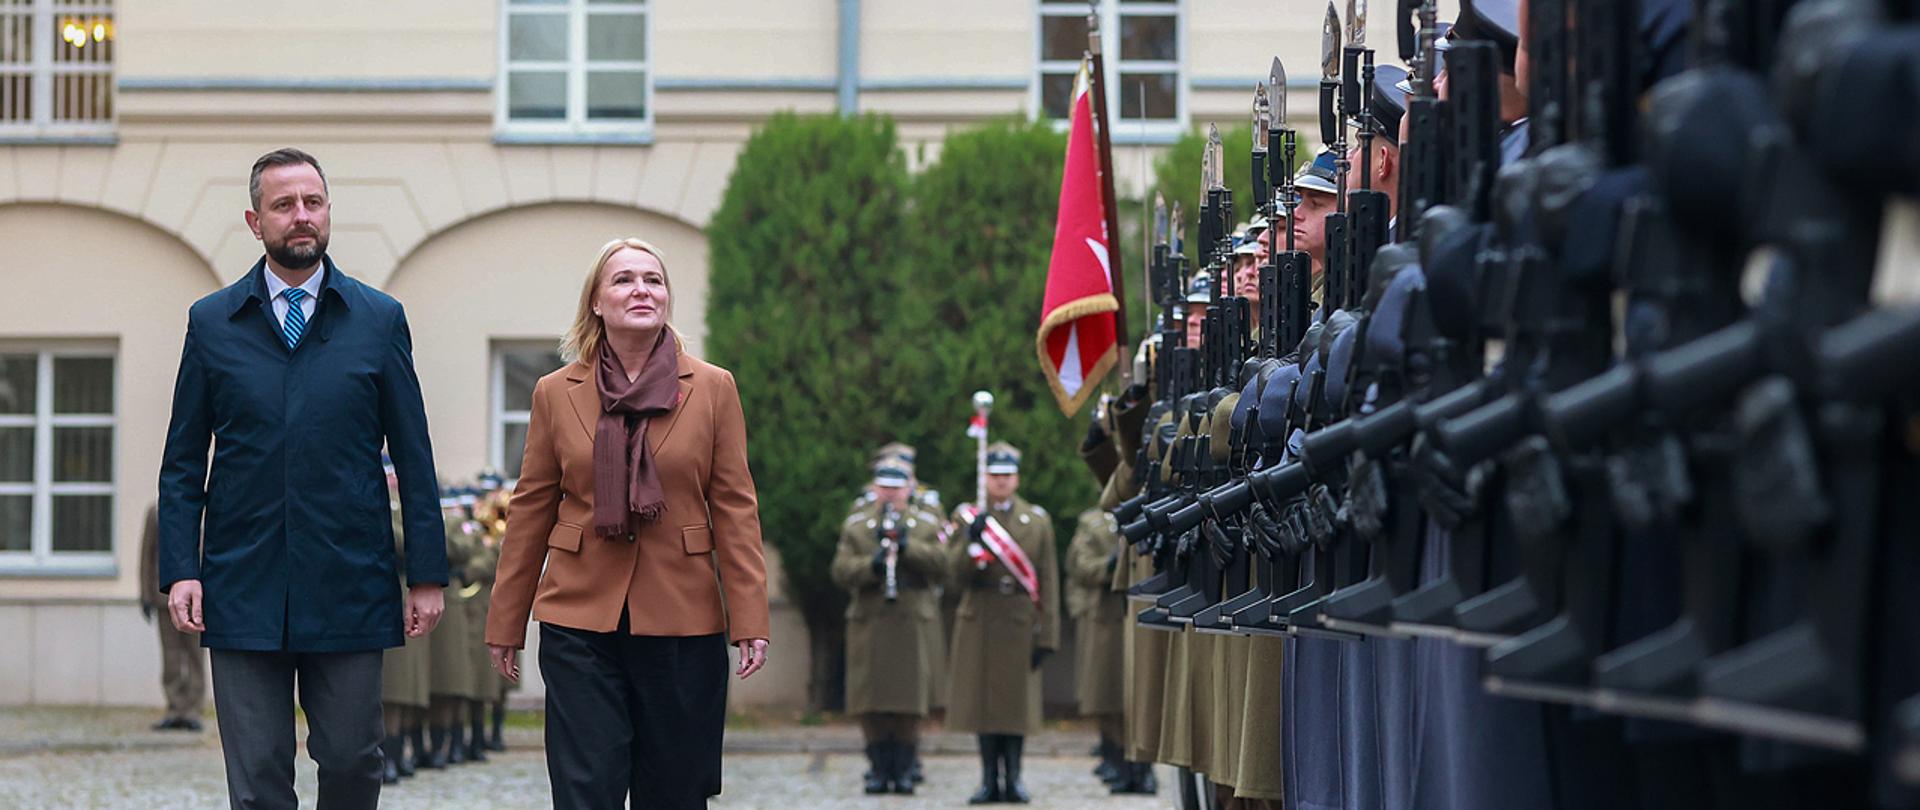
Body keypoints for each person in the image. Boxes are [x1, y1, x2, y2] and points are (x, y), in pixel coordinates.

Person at [157, 147, 448, 810]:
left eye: (313, 203)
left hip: (349, 580)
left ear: (327, 213)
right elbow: (182, 462)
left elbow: (414, 451)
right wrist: (182, 567)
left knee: (352, 761)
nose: (301, 217)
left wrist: (425, 572)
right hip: (241, 585)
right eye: (284, 205)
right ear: (255, 221)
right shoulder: (212, 324)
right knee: (257, 777)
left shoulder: (377, 320)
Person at [484, 237, 770, 810]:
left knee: (676, 790)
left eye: (653, 279)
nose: (641, 289)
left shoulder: (713, 388)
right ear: (595, 301)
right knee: (586, 787)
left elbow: (735, 507)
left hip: (683, 618)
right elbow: (531, 509)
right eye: (623, 280)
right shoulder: (554, 393)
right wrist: (506, 619)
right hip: (579, 617)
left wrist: (750, 616)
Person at [947, 442, 1060, 805]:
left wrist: (1049, 635)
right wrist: (970, 541)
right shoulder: (967, 517)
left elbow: (1048, 580)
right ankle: (986, 781)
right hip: (979, 617)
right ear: (985, 478)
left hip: (1018, 619)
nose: (1000, 482)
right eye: (994, 476)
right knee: (984, 708)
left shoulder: (1036, 520)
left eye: (1006, 476)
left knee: (1016, 708)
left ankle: (1014, 779)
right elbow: (952, 576)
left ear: (1017, 478)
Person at [831, 449, 948, 795]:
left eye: (897, 487)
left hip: (911, 617)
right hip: (871, 617)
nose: (891, 493)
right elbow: (840, 570)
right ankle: (878, 766)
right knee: (871, 697)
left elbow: (944, 564)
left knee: (909, 699)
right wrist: (873, 565)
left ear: (909, 488)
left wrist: (911, 550)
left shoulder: (925, 524)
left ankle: (906, 765)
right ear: (875, 487)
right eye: (884, 486)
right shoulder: (857, 525)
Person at [139, 501, 205, 732]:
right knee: (171, 656)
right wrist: (145, 595)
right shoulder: (155, 513)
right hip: (163, 596)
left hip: (198, 598)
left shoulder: (206, 510)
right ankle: (175, 708)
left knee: (195, 655)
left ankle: (194, 710)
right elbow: (147, 556)